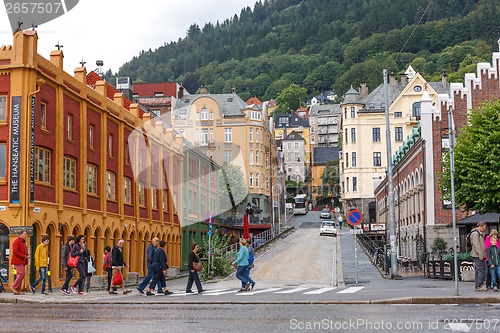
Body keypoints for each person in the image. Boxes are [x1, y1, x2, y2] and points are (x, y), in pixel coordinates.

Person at [11, 230, 29, 295]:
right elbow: (15, 251)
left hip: (22, 261)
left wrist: (27, 255)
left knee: (21, 274)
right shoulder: (17, 241)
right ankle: (14, 287)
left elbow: (24, 250)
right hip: (17, 261)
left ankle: (18, 290)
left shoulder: (23, 242)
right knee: (22, 274)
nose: (26, 236)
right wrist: (24, 256)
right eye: (25, 234)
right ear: (20, 234)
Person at [471, 221, 487, 291]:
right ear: (480, 226)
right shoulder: (475, 234)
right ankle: (479, 285)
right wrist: (480, 254)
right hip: (477, 255)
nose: (484, 229)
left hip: (478, 255)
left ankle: (477, 285)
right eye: (483, 228)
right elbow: (476, 245)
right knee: (481, 270)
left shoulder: (478, 233)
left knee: (478, 270)